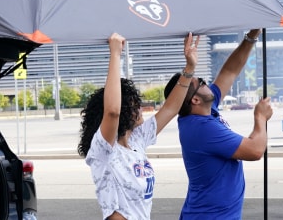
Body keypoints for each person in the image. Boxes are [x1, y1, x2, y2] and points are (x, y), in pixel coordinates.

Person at [78, 32, 199, 220]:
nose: (141, 108)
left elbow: (170, 108)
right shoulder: (104, 149)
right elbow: (112, 111)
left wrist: (189, 67)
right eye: (135, 104)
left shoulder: (137, 140)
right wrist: (115, 54)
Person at [164, 29, 273, 219]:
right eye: (202, 83)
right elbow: (255, 150)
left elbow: (230, 71)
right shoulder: (201, 128)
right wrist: (260, 118)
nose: (208, 84)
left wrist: (251, 37)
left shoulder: (207, 109)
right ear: (195, 100)